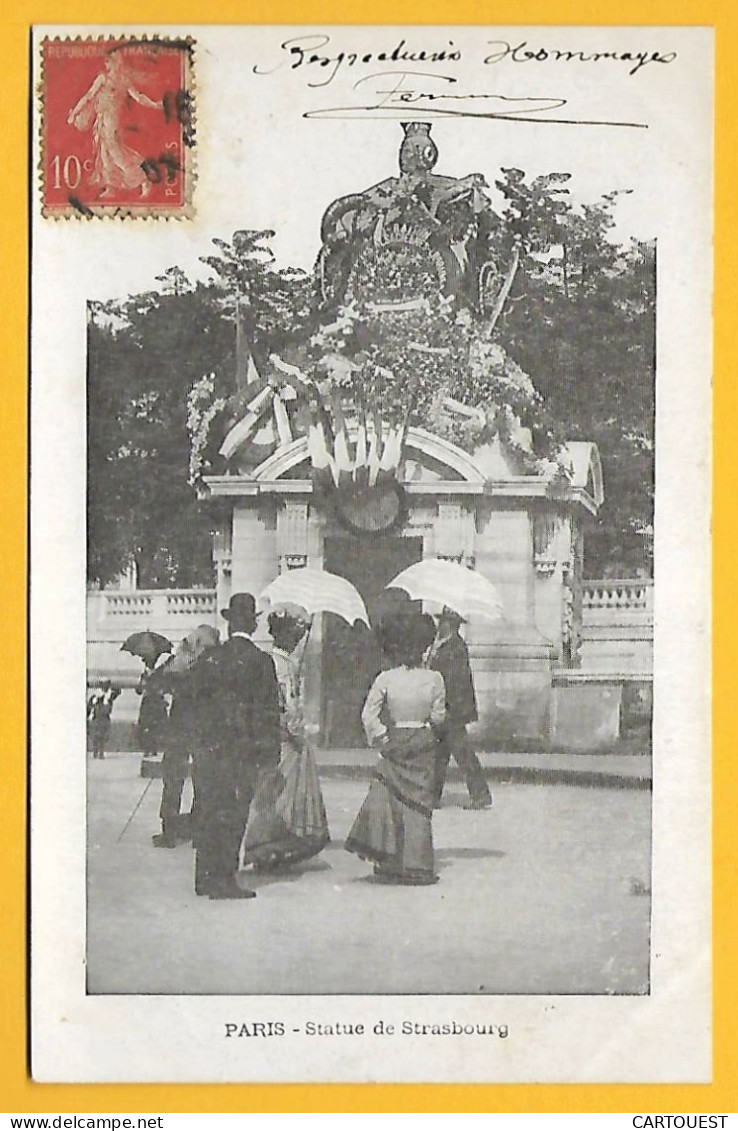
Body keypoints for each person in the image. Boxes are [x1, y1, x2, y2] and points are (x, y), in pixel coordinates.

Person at [345, 613, 446, 886]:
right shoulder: (435, 679)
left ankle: (391, 860)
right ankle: (416, 863)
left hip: (396, 738)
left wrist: (382, 739)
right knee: (419, 804)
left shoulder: (386, 678)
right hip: (422, 741)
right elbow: (438, 717)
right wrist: (428, 730)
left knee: (393, 800)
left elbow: (369, 715)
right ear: (424, 646)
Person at [192, 593, 281, 900]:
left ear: (230, 623)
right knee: (233, 812)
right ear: (254, 624)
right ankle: (224, 879)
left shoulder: (209, 658)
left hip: (208, 748)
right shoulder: (261, 661)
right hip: (242, 750)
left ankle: (204, 877)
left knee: (207, 809)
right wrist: (271, 754)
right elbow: (269, 712)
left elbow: (194, 704)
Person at [241, 610, 330, 869]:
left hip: (282, 733)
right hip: (284, 737)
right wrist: (297, 732)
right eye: (293, 634)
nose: (297, 639)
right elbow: (287, 705)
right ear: (283, 635)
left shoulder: (281, 661)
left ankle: (274, 846)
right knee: (281, 794)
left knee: (281, 793)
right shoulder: (281, 664)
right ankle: (268, 846)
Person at [151, 625, 220, 849]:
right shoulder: (213, 665)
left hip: (183, 729)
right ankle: (196, 830)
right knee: (201, 780)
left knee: (174, 779)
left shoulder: (182, 663)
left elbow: (158, 681)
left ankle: (170, 829)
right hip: (202, 731)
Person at [427, 607, 492, 810]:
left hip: (452, 709)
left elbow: (454, 681)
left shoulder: (455, 647)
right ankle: (432, 796)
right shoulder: (443, 645)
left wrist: (446, 709)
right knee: (440, 754)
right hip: (446, 708)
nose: (439, 625)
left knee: (461, 753)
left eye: (443, 621)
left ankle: (480, 795)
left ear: (451, 625)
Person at [86, 679, 120, 759]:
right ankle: (96, 751)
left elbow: (118, 691)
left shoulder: (109, 695)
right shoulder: (96, 696)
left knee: (103, 736)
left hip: (104, 717)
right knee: (96, 736)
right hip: (97, 717)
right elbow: (89, 706)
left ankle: (100, 752)